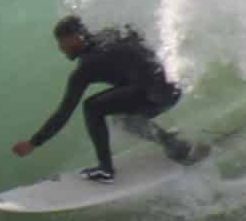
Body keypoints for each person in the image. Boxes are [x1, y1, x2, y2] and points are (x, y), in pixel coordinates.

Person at [10, 13, 200, 183]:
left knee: (91, 107)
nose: (60, 48)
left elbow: (64, 113)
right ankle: (175, 146)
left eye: (62, 42)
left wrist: (33, 143)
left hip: (156, 95)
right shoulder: (112, 33)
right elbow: (139, 35)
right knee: (123, 118)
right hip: (174, 87)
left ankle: (106, 170)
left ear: (76, 37)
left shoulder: (86, 67)